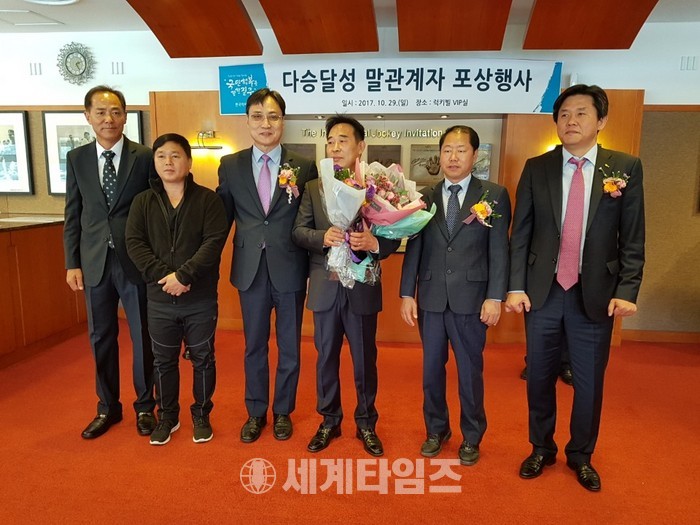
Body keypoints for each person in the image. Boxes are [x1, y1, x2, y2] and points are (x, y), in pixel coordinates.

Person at [506, 84, 645, 492]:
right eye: (564, 114)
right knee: (539, 377)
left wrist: (628, 290)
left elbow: (633, 237)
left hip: (595, 294)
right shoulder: (538, 167)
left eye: (582, 113)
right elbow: (521, 234)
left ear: (601, 121)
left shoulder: (625, 167)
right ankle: (541, 447)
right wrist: (516, 286)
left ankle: (581, 454)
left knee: (588, 383)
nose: (571, 121)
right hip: (543, 292)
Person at [399, 125, 511, 465]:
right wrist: (407, 293)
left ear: (474, 155)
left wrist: (495, 296)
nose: (453, 157)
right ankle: (436, 430)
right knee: (431, 370)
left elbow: (499, 250)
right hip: (431, 298)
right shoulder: (424, 196)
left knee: (469, 373)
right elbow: (414, 247)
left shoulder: (493, 194)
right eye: (447, 150)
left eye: (461, 150)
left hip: (472, 300)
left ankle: (472, 436)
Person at [292, 115, 400, 457]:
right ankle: (329, 420)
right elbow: (299, 231)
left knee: (365, 360)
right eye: (331, 141)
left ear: (360, 146)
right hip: (325, 287)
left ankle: (366, 423)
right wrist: (321, 237)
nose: (335, 147)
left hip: (362, 287)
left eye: (343, 140)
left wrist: (374, 243)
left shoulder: (377, 187)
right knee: (325, 358)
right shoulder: (315, 186)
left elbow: (393, 234)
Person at [216, 88, 318, 443]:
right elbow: (221, 220)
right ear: (247, 121)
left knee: (290, 347)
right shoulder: (230, 165)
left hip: (290, 268)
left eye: (273, 116)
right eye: (258, 116)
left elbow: (309, 220)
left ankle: (283, 412)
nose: (265, 124)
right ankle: (256, 412)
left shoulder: (303, 166)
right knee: (254, 346)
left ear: (282, 121)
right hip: (250, 269)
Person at [63, 85, 156, 439]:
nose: (108, 119)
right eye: (100, 112)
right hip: (94, 262)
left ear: (125, 116)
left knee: (143, 335)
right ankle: (108, 407)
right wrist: (72, 262)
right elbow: (73, 213)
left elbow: (155, 209)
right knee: (100, 336)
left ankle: (145, 406)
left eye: (115, 111)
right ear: (88, 116)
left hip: (135, 261)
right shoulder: (77, 158)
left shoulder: (144, 156)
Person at [126, 133, 228, 445]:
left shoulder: (208, 200)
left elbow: (213, 243)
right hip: (159, 298)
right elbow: (135, 243)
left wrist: (183, 276)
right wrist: (166, 278)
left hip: (199, 298)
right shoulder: (142, 202)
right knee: (163, 361)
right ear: (154, 162)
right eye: (161, 156)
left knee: (203, 358)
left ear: (189, 161)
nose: (168, 162)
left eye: (175, 155)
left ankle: (201, 414)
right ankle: (168, 416)